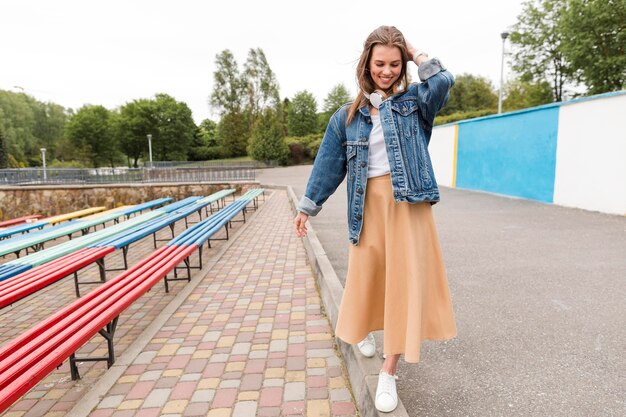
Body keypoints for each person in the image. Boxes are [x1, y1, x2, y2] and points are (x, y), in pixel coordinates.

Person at [293, 25, 457, 413]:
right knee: (366, 277)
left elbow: (444, 81)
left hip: (408, 206)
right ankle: (364, 327)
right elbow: (329, 165)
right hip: (367, 206)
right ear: (367, 64)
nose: (386, 70)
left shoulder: (415, 102)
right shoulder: (345, 117)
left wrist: (416, 53)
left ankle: (389, 370)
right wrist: (306, 207)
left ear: (402, 66)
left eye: (394, 64)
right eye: (379, 63)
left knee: (403, 284)